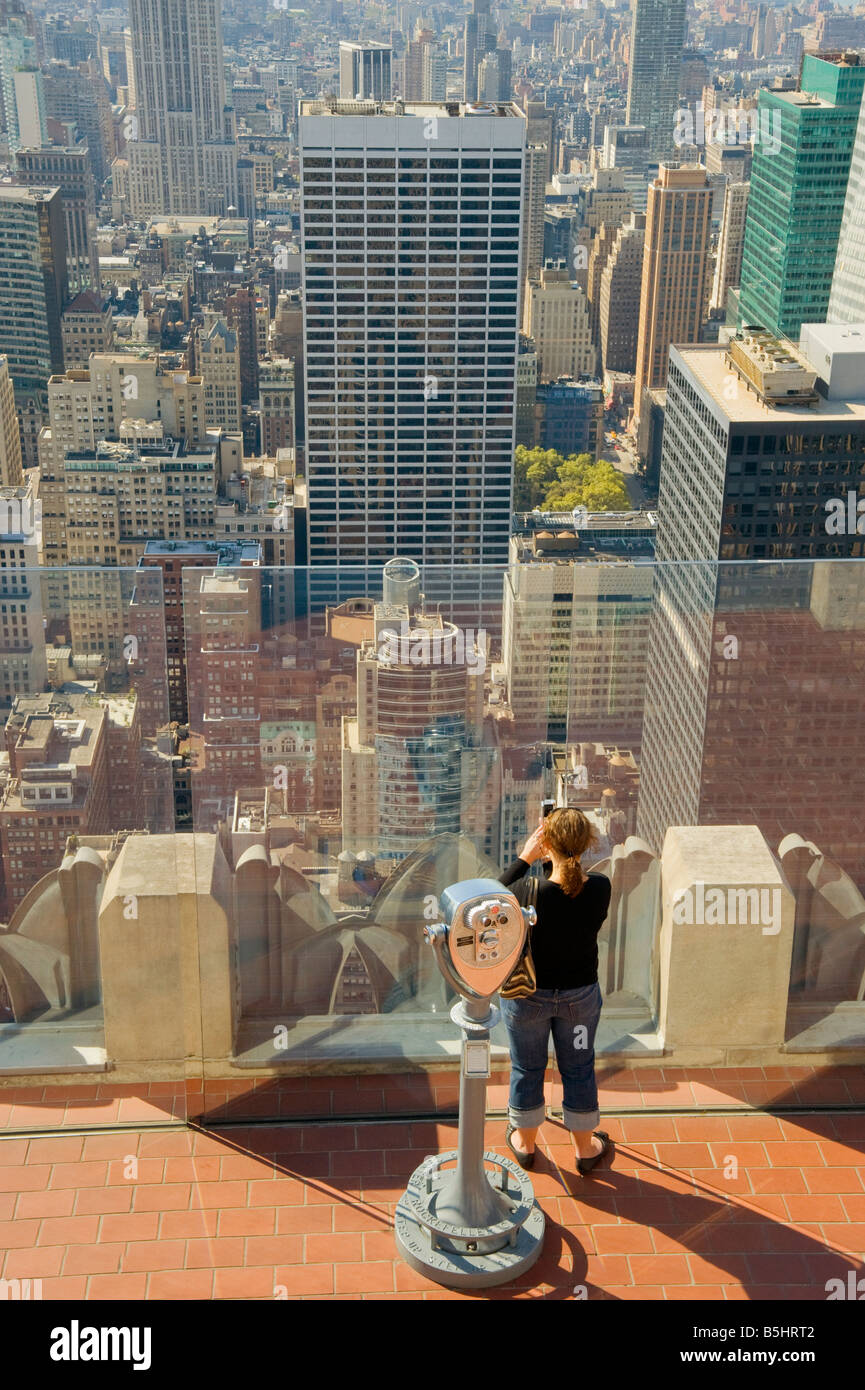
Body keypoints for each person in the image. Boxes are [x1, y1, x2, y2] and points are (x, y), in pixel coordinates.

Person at [498, 808, 612, 1176]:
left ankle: (526, 1144)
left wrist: (525, 858)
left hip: (528, 996)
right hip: (579, 999)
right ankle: (584, 1148)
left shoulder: (526, 892)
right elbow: (571, 892)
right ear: (587, 844)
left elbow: (486, 901)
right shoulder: (601, 888)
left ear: (546, 844)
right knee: (578, 1068)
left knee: (527, 1067)